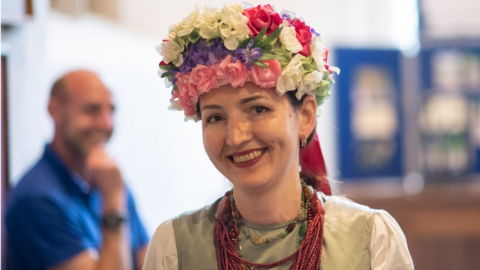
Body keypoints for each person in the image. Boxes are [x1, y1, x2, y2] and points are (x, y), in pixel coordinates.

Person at [144, 3, 414, 270]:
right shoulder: (174, 248)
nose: (235, 137)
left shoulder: (371, 238)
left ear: (305, 116)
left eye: (258, 109)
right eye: (216, 118)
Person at [5, 70, 149, 270]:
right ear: (54, 110)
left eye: (112, 111)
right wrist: (113, 207)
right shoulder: (36, 198)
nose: (107, 124)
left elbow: (149, 262)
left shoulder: (108, 180)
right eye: (92, 110)